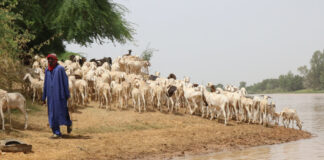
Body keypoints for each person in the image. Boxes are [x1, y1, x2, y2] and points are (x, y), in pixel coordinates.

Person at [42, 53, 72, 138]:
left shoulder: (60, 69)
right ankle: (56, 132)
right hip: (50, 96)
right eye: (49, 59)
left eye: (52, 59)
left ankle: (68, 123)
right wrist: (44, 96)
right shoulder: (47, 70)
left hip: (60, 94)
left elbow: (65, 82)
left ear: (56, 60)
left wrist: (67, 94)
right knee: (52, 114)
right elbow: (45, 84)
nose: (50, 61)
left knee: (62, 111)